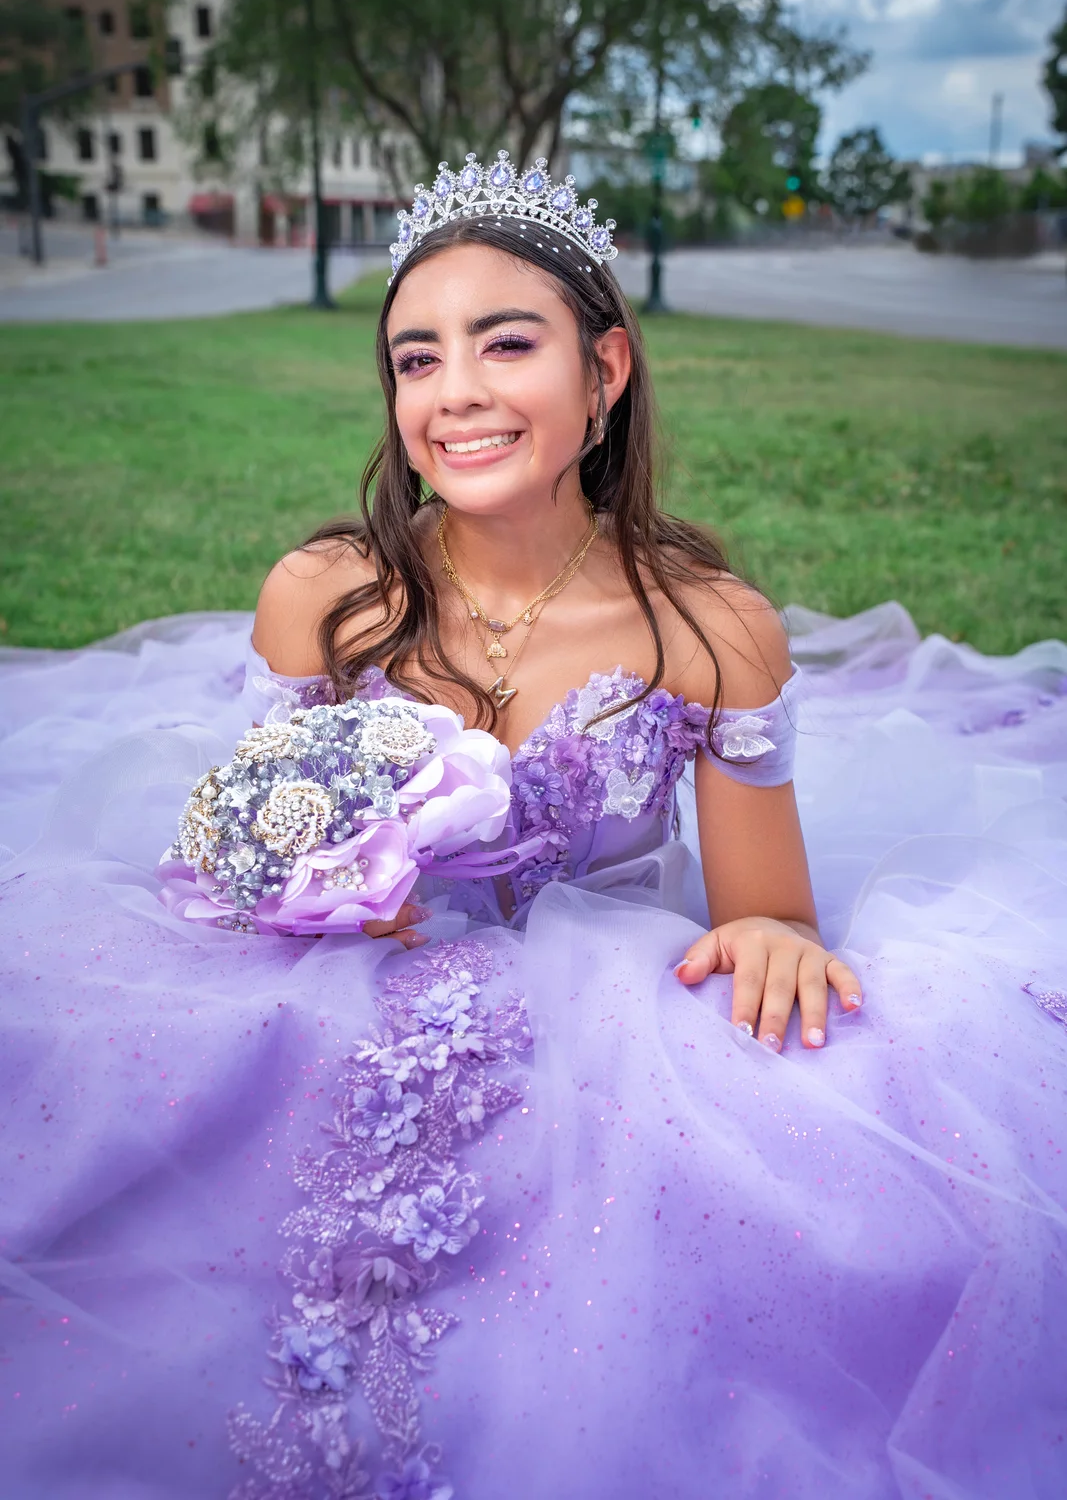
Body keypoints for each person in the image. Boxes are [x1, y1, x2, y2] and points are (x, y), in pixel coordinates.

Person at [1, 155, 1065, 1500]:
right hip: (340, 994)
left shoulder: (704, 628)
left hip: (607, 1036)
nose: (455, 393)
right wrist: (315, 892)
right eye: (415, 357)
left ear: (604, 370)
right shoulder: (327, 601)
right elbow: (251, 839)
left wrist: (776, 938)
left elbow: (763, 910)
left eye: (508, 345)